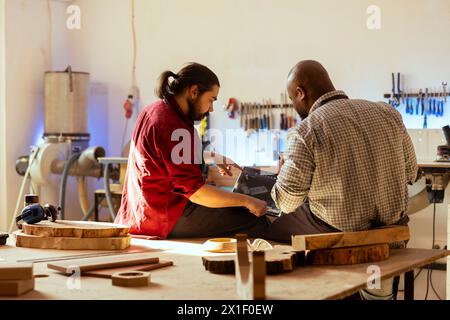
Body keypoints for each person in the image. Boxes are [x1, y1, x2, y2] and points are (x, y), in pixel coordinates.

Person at [267, 60, 418, 299]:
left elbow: (286, 202)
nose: (294, 105)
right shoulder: (388, 112)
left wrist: (282, 173)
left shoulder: (306, 130)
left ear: (300, 93)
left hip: (340, 241)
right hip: (393, 237)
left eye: (292, 99)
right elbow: (411, 173)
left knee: (266, 223)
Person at [115, 62, 271, 239]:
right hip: (165, 216)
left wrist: (212, 156)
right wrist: (247, 201)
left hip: (140, 213)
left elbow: (166, 158)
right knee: (255, 219)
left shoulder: (155, 109)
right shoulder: (173, 125)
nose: (211, 109)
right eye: (211, 100)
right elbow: (196, 193)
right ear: (194, 91)